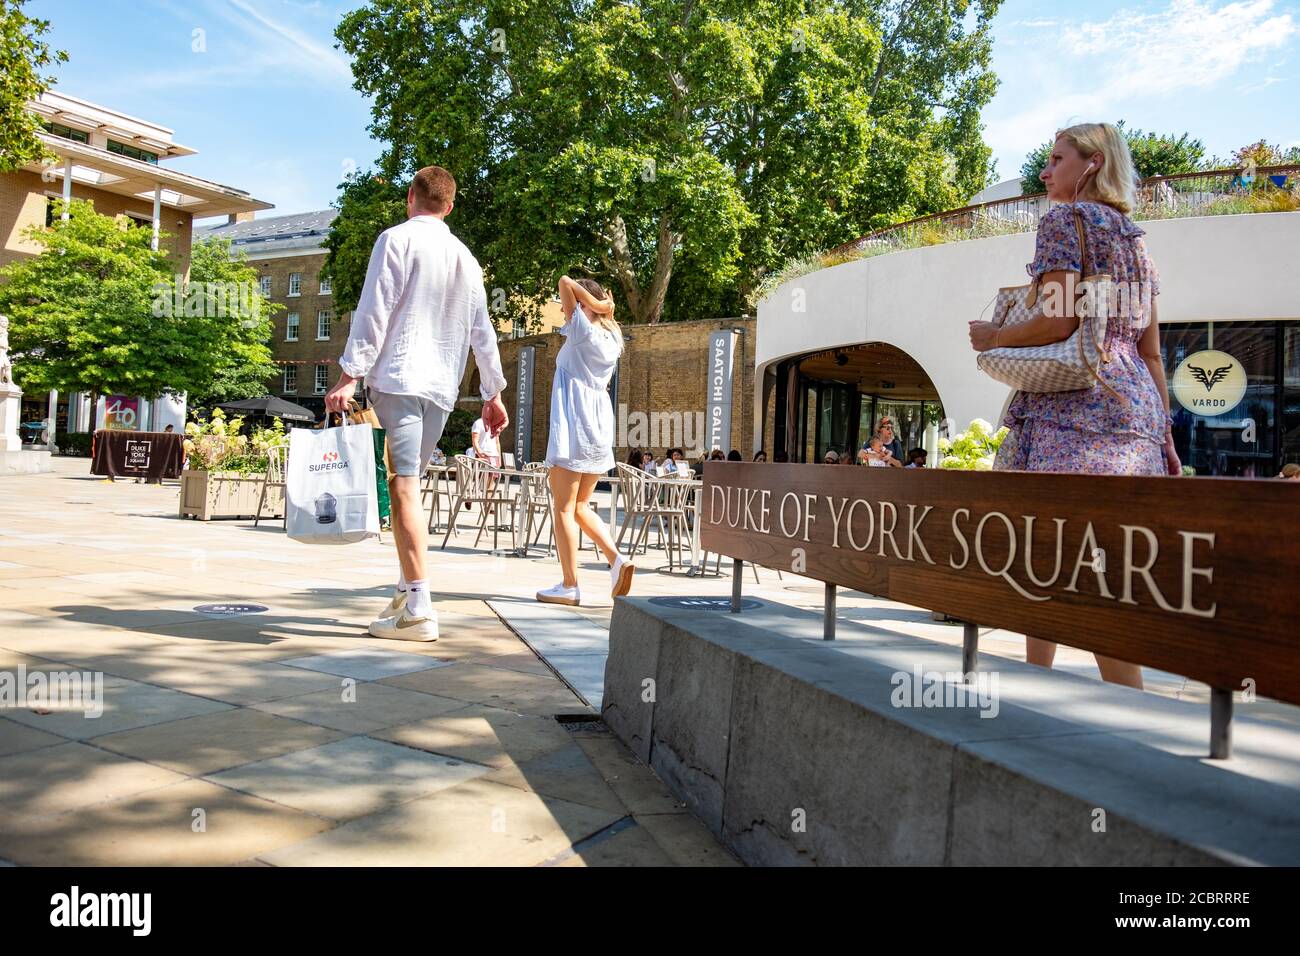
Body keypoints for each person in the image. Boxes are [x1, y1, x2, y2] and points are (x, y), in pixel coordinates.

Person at [968, 122, 1180, 689]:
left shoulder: (1066, 221)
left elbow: (1059, 319)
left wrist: (995, 337)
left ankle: (1084, 696)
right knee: (1098, 565)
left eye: (1056, 158)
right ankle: (1109, 697)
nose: (1045, 170)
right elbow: (1152, 354)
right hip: (1134, 411)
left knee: (1057, 561)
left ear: (1091, 163)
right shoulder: (1138, 245)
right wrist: (1164, 438)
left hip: (1074, 408)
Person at [326, 165, 508, 642]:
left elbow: (374, 310)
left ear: (411, 197)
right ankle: (406, 593)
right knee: (410, 484)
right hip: (442, 388)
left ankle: (420, 608)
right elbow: (482, 331)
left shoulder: (396, 240)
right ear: (449, 206)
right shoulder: (467, 258)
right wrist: (493, 391)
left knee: (402, 488)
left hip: (401, 378)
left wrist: (349, 375)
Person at [537, 275, 633, 606]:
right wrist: (602, 307)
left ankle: (569, 584)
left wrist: (596, 304)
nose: (566, 309)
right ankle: (617, 559)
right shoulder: (611, 336)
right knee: (580, 506)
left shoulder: (582, 329)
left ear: (581, 305)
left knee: (563, 507)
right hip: (597, 425)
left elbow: (564, 280)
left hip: (574, 424)